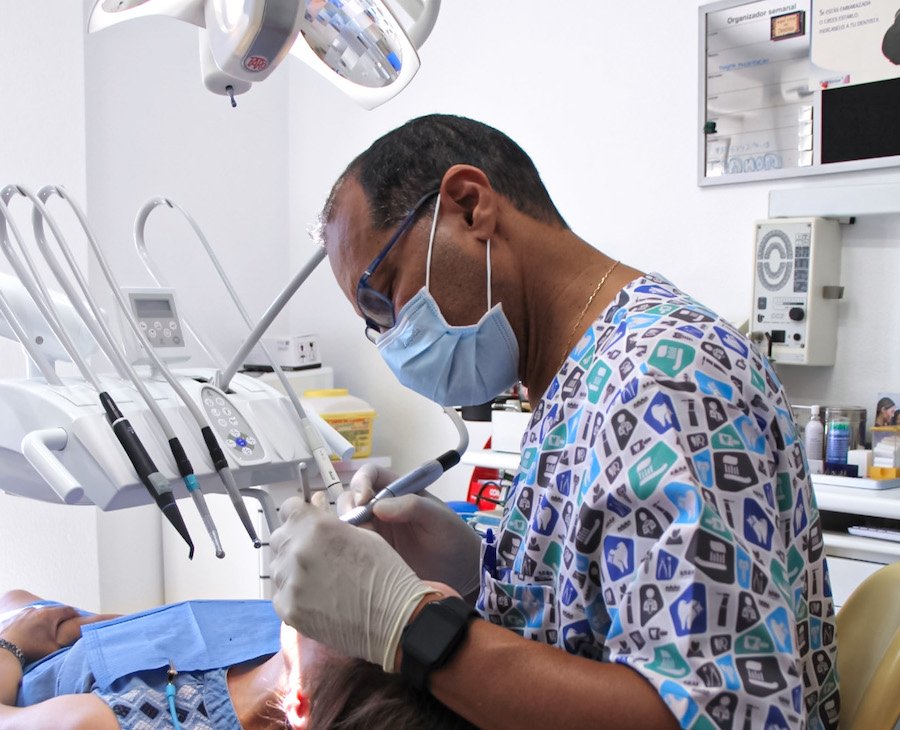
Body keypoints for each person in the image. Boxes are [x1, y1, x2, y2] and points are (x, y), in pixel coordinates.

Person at [269, 114, 839, 730]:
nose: (392, 339)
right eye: (373, 321)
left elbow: (719, 718)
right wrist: (469, 569)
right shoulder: (583, 374)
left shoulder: (664, 378)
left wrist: (409, 625)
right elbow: (595, 608)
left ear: (469, 206)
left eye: (386, 294)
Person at [0, 587, 476, 729]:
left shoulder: (125, 721)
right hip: (72, 644)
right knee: (18, 597)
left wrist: (15, 644)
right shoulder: (287, 646)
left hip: (20, 681)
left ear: (300, 705)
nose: (354, 607)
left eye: (355, 631)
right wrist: (99, 629)